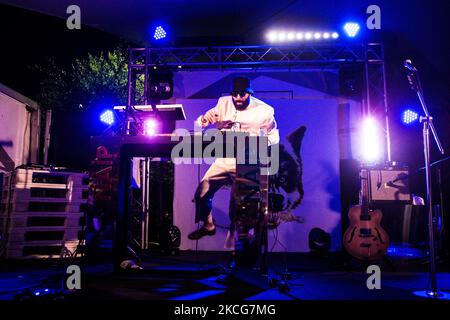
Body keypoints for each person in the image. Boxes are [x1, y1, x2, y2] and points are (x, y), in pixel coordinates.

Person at [188, 76, 280, 242]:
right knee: (201, 192)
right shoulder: (223, 103)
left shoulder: (265, 111)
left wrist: (263, 149)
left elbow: (273, 135)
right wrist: (202, 122)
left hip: (248, 160)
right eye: (235, 94)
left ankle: (238, 243)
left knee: (238, 205)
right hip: (226, 157)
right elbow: (207, 118)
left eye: (242, 94)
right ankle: (208, 226)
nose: (237, 98)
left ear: (249, 93)